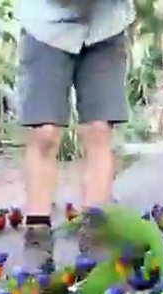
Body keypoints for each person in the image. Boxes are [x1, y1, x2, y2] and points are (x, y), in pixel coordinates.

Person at [15, 0, 135, 272]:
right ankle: (37, 235)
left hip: (106, 26)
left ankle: (95, 234)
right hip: (45, 24)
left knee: (98, 130)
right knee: (45, 133)